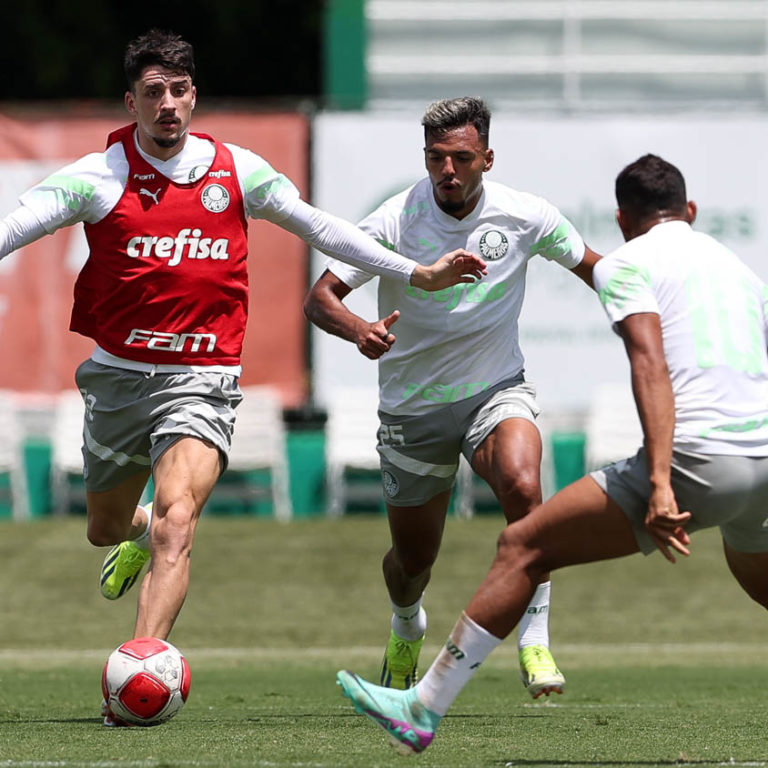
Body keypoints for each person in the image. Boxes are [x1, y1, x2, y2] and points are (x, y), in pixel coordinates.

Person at [0, 30, 485, 725]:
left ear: (193, 96)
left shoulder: (238, 172)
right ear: (130, 101)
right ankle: (128, 533)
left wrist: (416, 272)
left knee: (179, 519)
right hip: (118, 377)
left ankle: (142, 662)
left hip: (203, 375)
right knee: (106, 528)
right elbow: (18, 225)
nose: (168, 105)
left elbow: (322, 227)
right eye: (153, 93)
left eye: (179, 90)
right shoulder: (98, 176)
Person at [335, 153, 768, 755]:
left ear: (620, 219)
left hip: (701, 459)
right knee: (758, 578)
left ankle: (422, 708)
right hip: (764, 459)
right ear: (690, 211)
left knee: (522, 544)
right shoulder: (740, 270)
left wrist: (662, 481)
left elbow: (649, 365)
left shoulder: (625, 264)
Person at [304, 96, 601, 698]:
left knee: (524, 485)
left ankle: (535, 640)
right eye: (436, 157)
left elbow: (598, 270)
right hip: (412, 410)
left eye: (461, 157)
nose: (447, 170)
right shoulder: (394, 220)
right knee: (413, 561)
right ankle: (407, 623)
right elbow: (321, 298)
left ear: (486, 158)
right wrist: (361, 330)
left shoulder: (526, 215)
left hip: (494, 390)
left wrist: (657, 303)